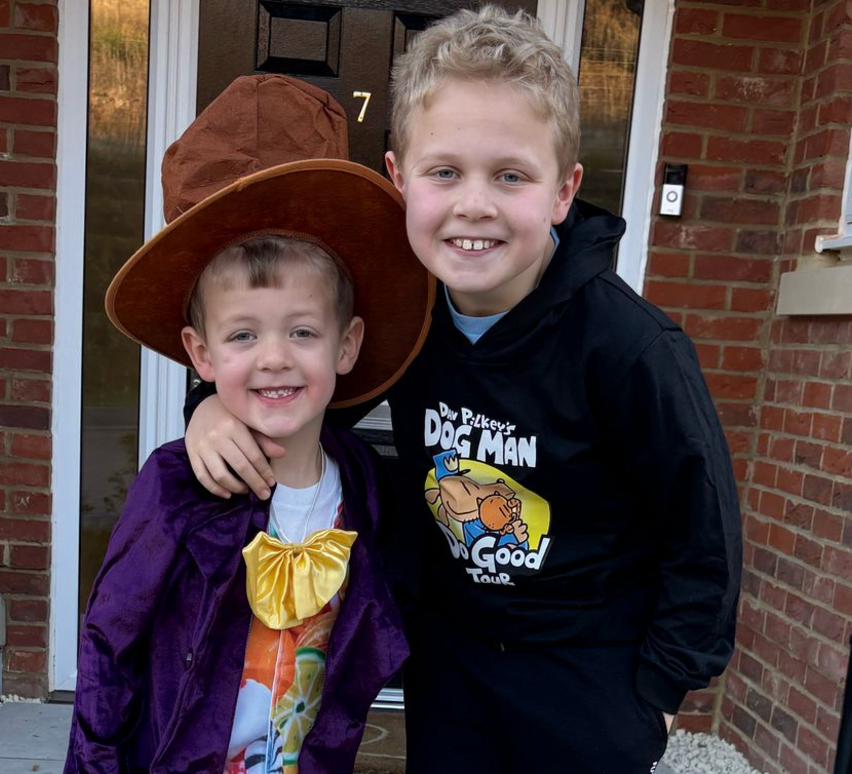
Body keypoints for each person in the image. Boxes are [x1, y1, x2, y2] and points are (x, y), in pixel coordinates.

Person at [184, 7, 743, 773]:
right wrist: (211, 406)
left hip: (589, 677)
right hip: (452, 663)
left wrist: (662, 686)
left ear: (562, 191)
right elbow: (294, 393)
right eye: (444, 172)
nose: (472, 204)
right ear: (397, 178)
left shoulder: (629, 349)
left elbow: (701, 528)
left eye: (509, 176)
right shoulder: (402, 316)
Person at [63, 74, 434, 774]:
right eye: (241, 338)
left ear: (346, 344)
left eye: (301, 331)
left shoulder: (365, 487)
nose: (273, 360)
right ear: (199, 354)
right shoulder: (173, 487)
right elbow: (108, 652)